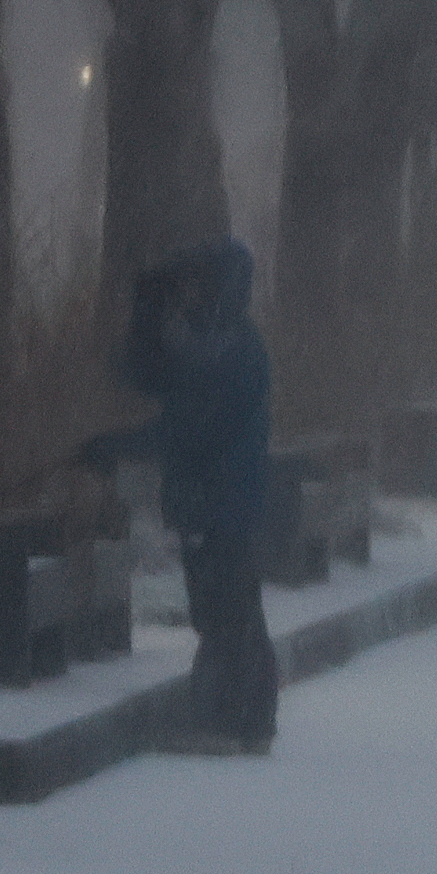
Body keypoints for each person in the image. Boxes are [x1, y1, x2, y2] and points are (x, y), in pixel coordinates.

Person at [79, 237, 279, 755]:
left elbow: (189, 425)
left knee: (223, 614)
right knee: (235, 612)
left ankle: (220, 723)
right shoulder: (225, 346)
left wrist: (118, 447)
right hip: (222, 503)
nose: (189, 295)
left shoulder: (228, 353)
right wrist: (150, 308)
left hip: (219, 505)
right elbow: (143, 373)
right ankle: (250, 723)